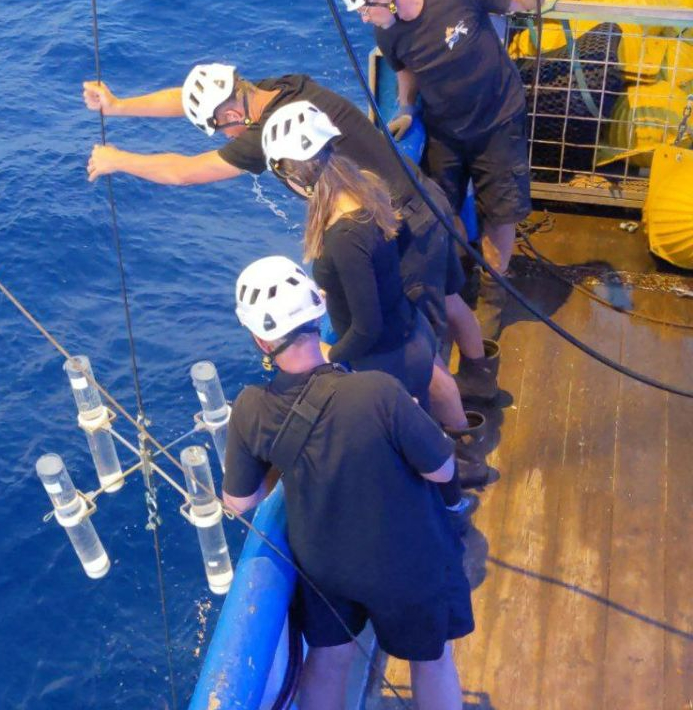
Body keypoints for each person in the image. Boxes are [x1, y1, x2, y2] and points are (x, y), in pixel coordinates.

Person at [82, 64, 500, 402]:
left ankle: (453, 442)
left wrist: (117, 159)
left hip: (399, 230)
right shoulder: (282, 88)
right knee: (449, 297)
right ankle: (480, 373)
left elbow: (183, 173)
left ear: (231, 116)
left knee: (418, 348)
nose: (228, 137)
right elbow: (194, 96)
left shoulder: (264, 139)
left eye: (221, 129)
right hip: (423, 195)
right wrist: (118, 106)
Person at [222, 255, 472, 710]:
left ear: (261, 340)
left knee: (330, 659)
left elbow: (240, 501)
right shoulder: (377, 391)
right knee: (431, 662)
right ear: (318, 313)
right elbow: (442, 470)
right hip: (405, 564)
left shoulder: (250, 409)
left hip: (326, 571)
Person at [260, 100, 498, 473]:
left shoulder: (343, 236)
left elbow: (367, 327)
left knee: (406, 443)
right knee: (427, 413)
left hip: (389, 358)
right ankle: (463, 460)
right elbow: (372, 268)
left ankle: (451, 489)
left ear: (295, 178)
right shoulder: (366, 188)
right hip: (411, 331)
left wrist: (330, 354)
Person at [339, 0, 550, 340]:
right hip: (445, 131)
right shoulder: (389, 34)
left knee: (501, 212)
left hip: (498, 122)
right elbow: (405, 72)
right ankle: (458, 275)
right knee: (440, 205)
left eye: (365, 7)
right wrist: (405, 108)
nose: (365, 17)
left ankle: (493, 292)